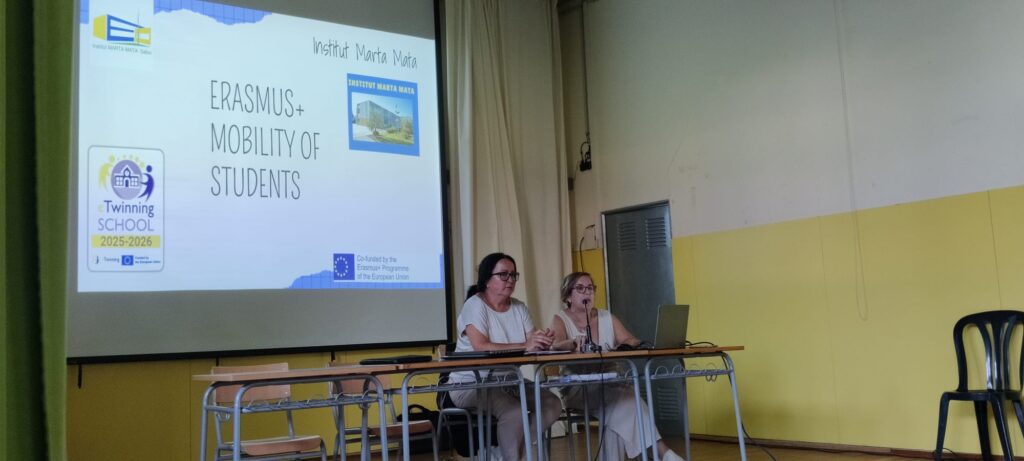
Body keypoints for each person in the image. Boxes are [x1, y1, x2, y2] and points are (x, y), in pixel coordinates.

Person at [550, 272, 685, 461]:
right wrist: (572, 343)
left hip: (611, 382)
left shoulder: (606, 317)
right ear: (568, 296)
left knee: (620, 408)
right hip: (578, 388)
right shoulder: (560, 318)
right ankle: (664, 454)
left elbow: (629, 339)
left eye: (590, 288)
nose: (586, 292)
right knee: (628, 400)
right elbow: (556, 345)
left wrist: (629, 345)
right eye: (580, 288)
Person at [449, 252, 562, 461]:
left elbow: (530, 345)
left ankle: (504, 454)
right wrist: (526, 345)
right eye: (503, 275)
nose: (510, 280)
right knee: (514, 412)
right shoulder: (474, 305)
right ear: (487, 279)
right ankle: (510, 455)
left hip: (509, 381)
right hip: (471, 384)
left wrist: (542, 342)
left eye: (513, 275)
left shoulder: (519, 307)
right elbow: (481, 346)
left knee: (552, 404)